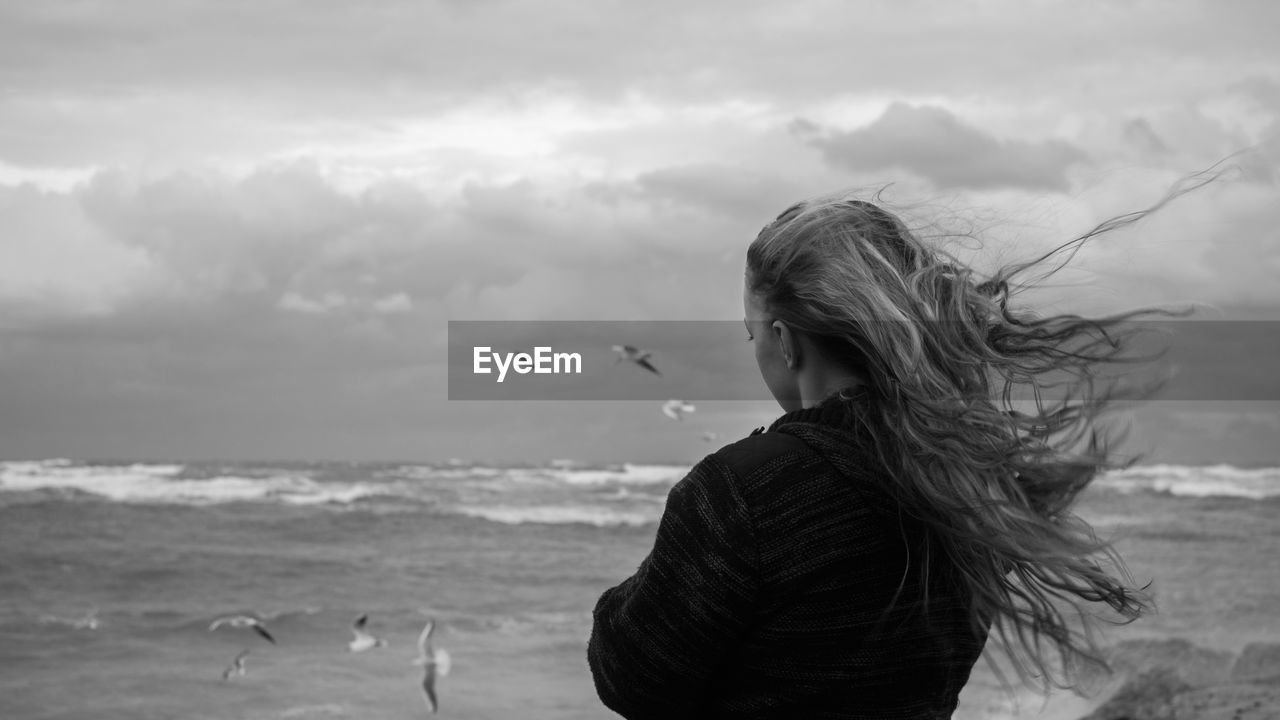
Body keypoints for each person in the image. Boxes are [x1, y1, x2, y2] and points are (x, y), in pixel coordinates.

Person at [587, 178, 1213, 719]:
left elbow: (639, 682)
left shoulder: (743, 490)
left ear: (784, 340)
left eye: (752, 333)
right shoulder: (968, 479)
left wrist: (629, 597)